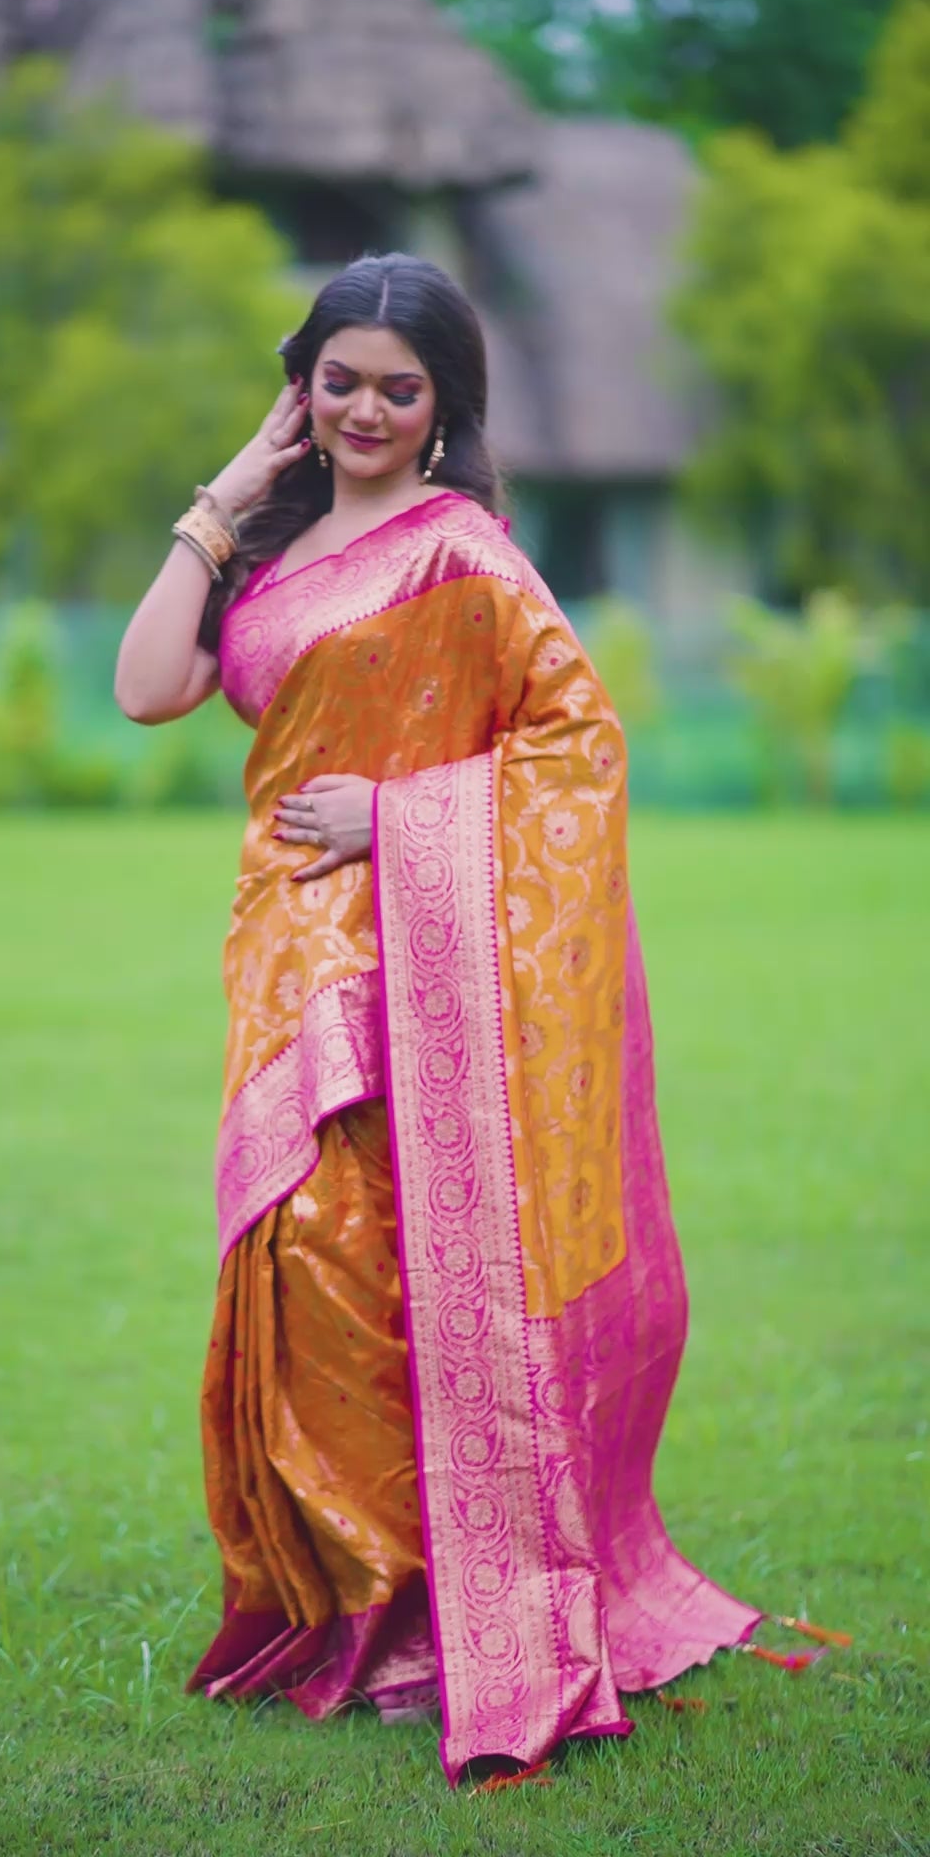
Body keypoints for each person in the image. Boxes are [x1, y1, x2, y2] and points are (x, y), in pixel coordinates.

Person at [114, 253, 765, 1788]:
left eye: (398, 389)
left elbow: (577, 744)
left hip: (410, 953)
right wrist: (221, 498)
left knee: (364, 1262)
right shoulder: (270, 551)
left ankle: (423, 1617)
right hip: (279, 946)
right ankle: (341, 1597)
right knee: (289, 1261)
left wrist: (404, 814)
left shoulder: (462, 553)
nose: (364, 409)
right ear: (303, 382)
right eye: (338, 379)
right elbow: (149, 686)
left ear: (443, 406)